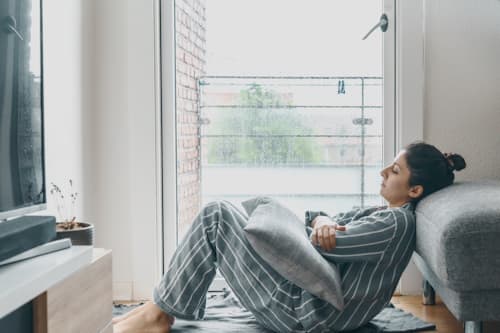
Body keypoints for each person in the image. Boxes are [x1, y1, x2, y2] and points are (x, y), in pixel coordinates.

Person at [113, 141, 466, 333]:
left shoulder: (395, 226)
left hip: (306, 315)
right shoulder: (381, 213)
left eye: (395, 170)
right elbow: (320, 218)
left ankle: (160, 314)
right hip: (307, 305)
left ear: (415, 189)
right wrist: (323, 220)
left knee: (216, 216)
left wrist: (321, 228)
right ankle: (159, 306)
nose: (382, 172)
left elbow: (326, 243)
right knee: (229, 213)